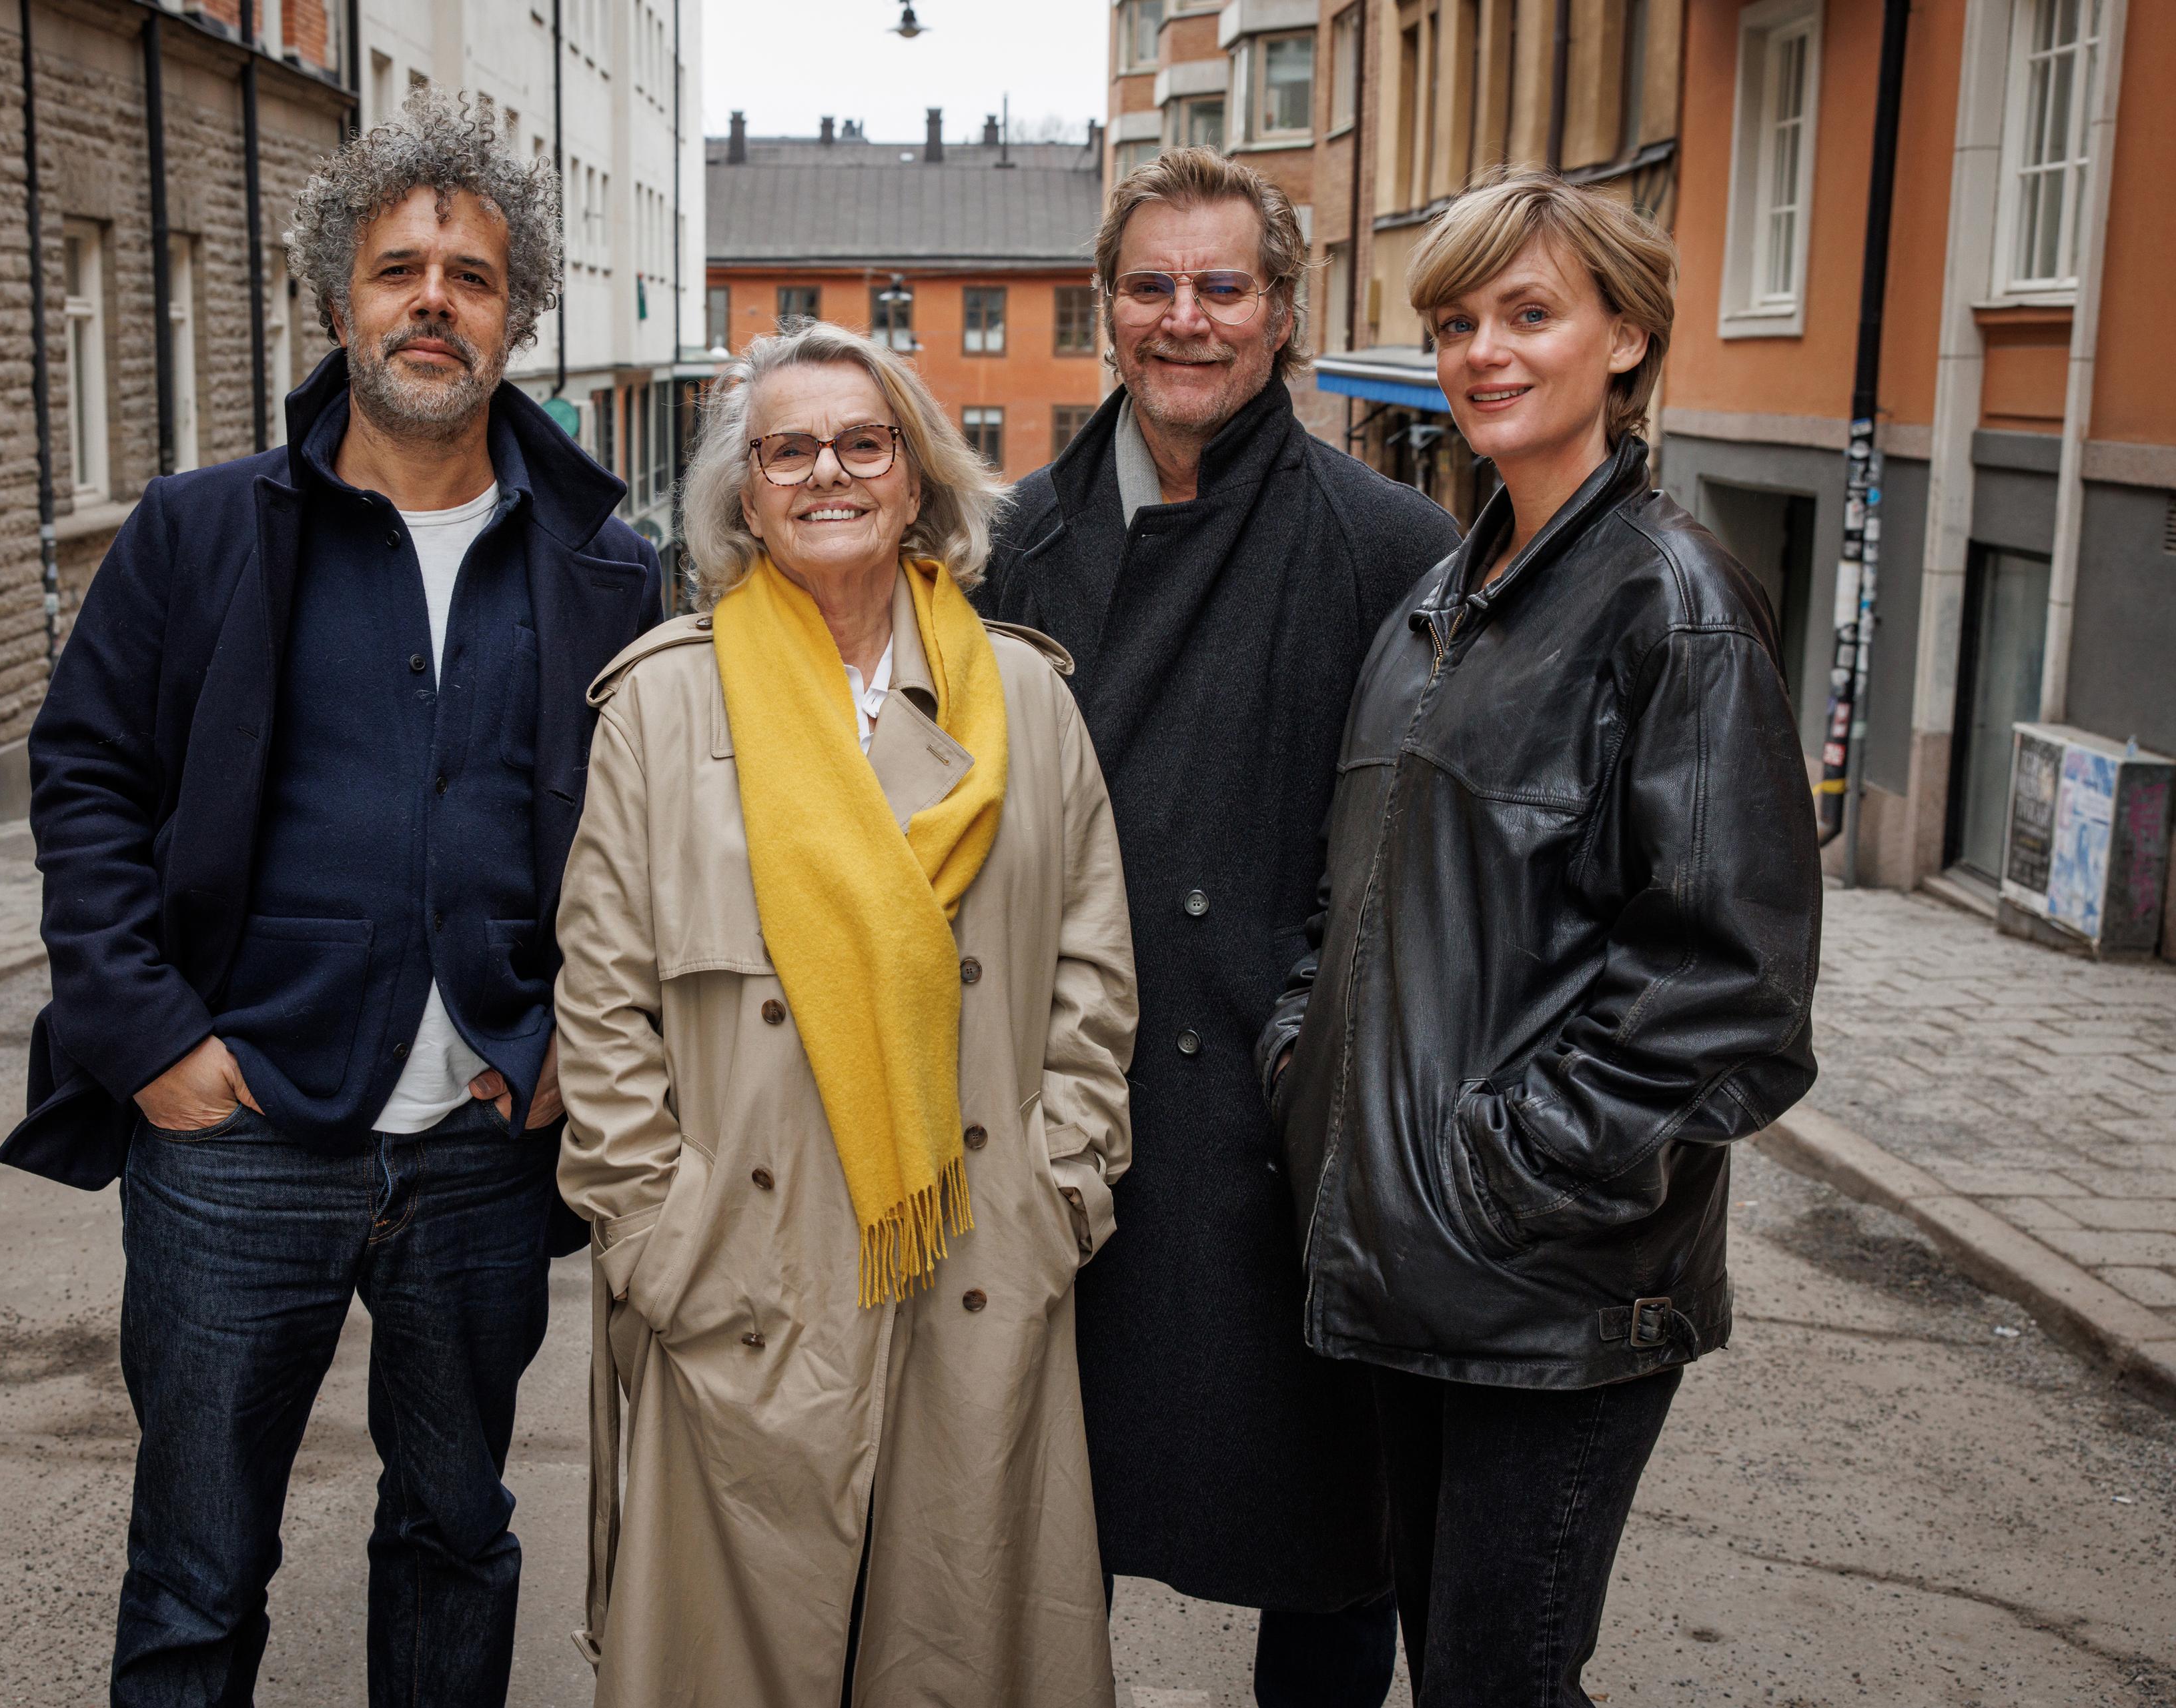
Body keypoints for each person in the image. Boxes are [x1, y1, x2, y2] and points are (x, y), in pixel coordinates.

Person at [0, 91, 663, 1707]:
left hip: (483, 1151)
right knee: (199, 1564)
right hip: (239, 1139)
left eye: (474, 274)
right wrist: (152, 1039)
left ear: (518, 315)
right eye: (398, 268)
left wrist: (577, 1040)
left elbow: (646, 845)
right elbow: (84, 783)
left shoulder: (605, 566)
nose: (434, 298)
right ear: (337, 299)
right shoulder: (203, 531)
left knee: (454, 1533)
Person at [1261, 167, 1824, 1705]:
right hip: (1400, 1271)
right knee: (1456, 1670)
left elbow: (1733, 990)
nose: (1484, 354)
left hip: (1546, 1292)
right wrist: (1303, 1059)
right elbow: (1350, 895)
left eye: (1530, 314)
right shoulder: (1443, 603)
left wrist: (1504, 1174)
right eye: (1456, 322)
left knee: (1496, 1686)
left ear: (1627, 338)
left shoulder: (1674, 604)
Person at [554, 319, 1138, 1707]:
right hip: (740, 1274)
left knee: (957, 1639)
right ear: (745, 493)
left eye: (863, 443)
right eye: (788, 449)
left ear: (918, 477)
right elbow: (601, 1000)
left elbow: (1093, 977)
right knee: (741, 1653)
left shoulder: (1027, 705)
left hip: (973, 1249)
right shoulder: (661, 705)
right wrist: (657, 1235)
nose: (828, 473)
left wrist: (1063, 1191)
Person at [975, 147, 1460, 1703]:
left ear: (1283, 314)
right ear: (1108, 309)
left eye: (1223, 287)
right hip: (1062, 1125)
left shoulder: (1392, 551)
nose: (1186, 320)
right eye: (1152, 286)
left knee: (1329, 1555)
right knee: (1036, 1545)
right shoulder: (1006, 546)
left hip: (1282, 1140)